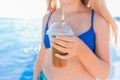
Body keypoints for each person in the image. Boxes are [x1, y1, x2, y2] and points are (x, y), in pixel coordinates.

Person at [34, 0, 117, 80]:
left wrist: (81, 50)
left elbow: (104, 74)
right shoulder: (47, 17)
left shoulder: (98, 21)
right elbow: (42, 56)